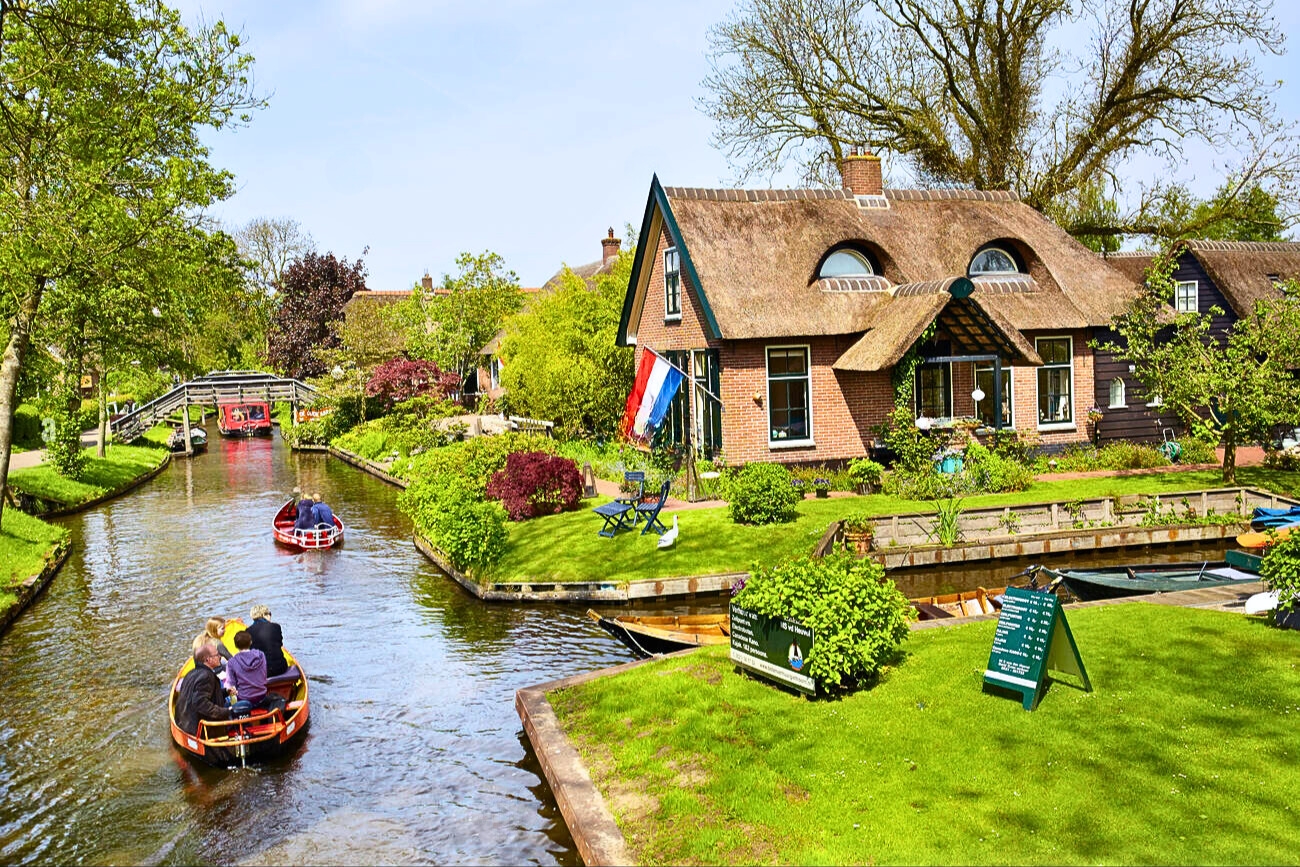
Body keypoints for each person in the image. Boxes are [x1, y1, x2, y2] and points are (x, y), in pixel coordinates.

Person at [176, 645, 232, 736]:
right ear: (208, 660)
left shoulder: (191, 673)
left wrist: (225, 692)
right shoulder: (206, 676)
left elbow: (205, 696)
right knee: (242, 708)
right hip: (197, 729)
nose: (220, 657)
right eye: (217, 655)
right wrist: (225, 712)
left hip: (184, 724)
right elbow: (200, 703)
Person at [226, 630, 287, 714]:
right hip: (261, 697)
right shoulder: (261, 655)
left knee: (226, 697)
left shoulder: (231, 662)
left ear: (235, 645)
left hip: (244, 699)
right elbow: (264, 674)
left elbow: (231, 685)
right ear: (251, 642)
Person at [248, 604, 289, 677]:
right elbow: (280, 644)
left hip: (261, 671)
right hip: (280, 667)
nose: (270, 616)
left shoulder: (247, 631)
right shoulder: (276, 626)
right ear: (264, 615)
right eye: (269, 614)